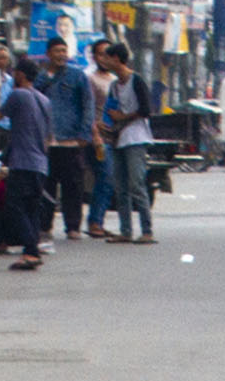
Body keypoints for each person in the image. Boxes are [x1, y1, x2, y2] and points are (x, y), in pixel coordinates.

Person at [93, 41, 157, 244]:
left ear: (117, 59)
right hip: (118, 138)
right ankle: (126, 230)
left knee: (136, 184)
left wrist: (123, 117)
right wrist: (108, 126)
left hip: (136, 137)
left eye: (107, 57)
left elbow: (146, 110)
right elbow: (111, 111)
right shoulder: (114, 85)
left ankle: (147, 230)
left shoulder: (136, 81)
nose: (104, 61)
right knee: (120, 186)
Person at [0, 55, 55, 268]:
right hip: (40, 163)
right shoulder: (45, 100)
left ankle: (31, 250)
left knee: (15, 206)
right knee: (31, 208)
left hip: (22, 162)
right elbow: (49, 137)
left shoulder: (18, 94)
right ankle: (32, 250)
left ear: (20, 74)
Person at [41, 46, 97, 243]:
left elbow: (87, 105)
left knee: (73, 186)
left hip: (71, 140)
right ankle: (44, 225)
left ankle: (73, 226)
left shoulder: (77, 76)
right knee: (46, 186)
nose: (61, 55)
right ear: (48, 54)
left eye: (64, 51)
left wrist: (85, 133)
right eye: (57, 51)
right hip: (46, 141)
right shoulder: (41, 77)